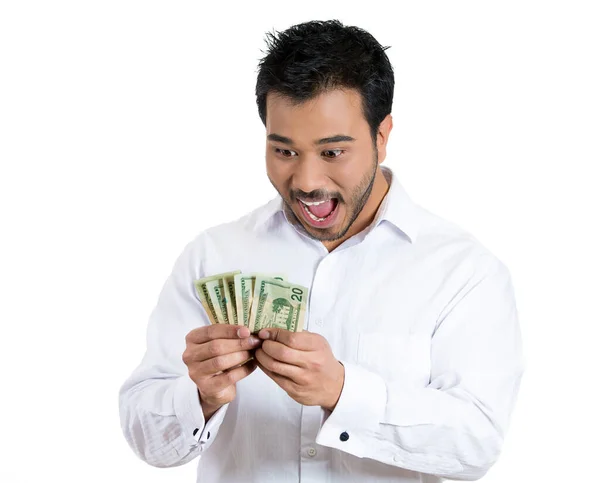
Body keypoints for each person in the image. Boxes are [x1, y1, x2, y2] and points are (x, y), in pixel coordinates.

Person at [119, 19, 524, 483]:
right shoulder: (214, 254)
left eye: (332, 153)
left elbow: (476, 444)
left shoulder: (464, 272)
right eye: (285, 151)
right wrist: (199, 396)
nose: (307, 182)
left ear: (382, 136)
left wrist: (342, 392)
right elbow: (147, 441)